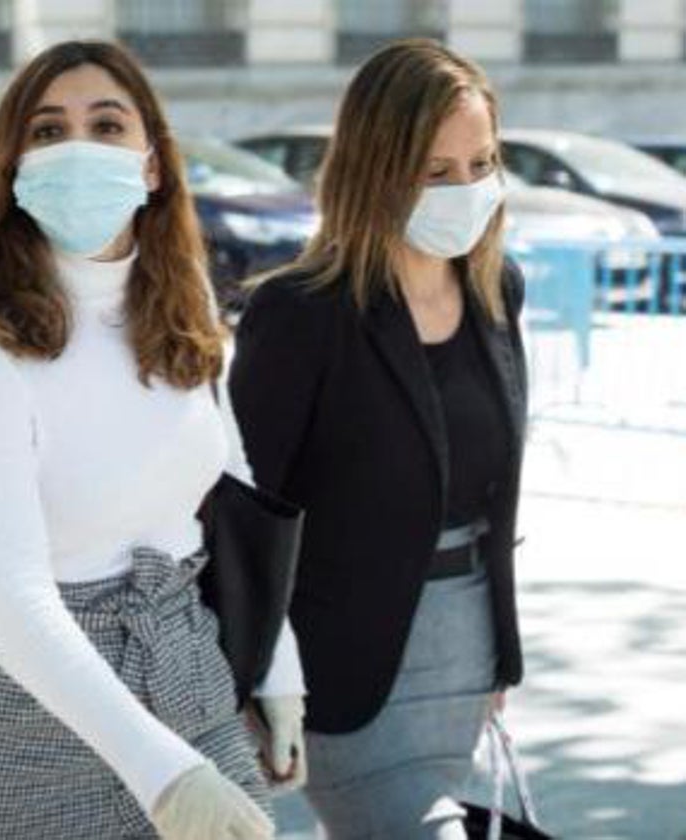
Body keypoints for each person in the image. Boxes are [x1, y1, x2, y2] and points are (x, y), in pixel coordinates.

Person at [0, 39, 307, 840]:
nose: (78, 148)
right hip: (7, 726)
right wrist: (170, 780)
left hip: (184, 669)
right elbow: (14, 603)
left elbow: (234, 483)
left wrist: (281, 668)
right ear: (12, 170)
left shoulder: (184, 318)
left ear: (152, 165)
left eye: (107, 126)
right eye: (46, 132)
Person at [229, 39, 528, 839]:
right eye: (436, 171)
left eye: (481, 163)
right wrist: (260, 681)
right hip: (341, 674)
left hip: (466, 657)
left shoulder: (499, 289)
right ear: (375, 170)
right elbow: (239, 518)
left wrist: (499, 648)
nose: (466, 189)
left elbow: (496, 492)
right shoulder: (300, 313)